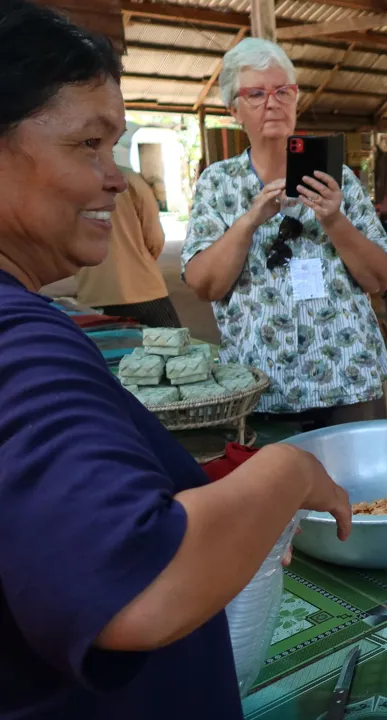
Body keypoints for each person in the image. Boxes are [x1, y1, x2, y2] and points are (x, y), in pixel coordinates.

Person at [0, 3, 352, 717]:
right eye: (88, 145)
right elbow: (138, 588)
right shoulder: (21, 342)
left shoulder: (331, 178)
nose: (115, 178)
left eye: (118, 147)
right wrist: (285, 472)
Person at [183, 38, 387, 428]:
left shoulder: (339, 180)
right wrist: (249, 221)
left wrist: (334, 220)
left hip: (347, 381)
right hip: (261, 387)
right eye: (257, 93)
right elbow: (204, 285)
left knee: (357, 489)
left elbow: (380, 278)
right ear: (234, 110)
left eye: (284, 91)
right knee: (275, 489)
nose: (273, 102)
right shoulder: (219, 183)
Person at [74, 127, 182, 327]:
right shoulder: (131, 181)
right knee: (174, 352)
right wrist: (139, 260)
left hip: (93, 294)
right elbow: (155, 238)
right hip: (143, 292)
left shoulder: (72, 183)